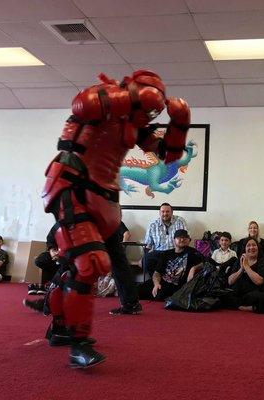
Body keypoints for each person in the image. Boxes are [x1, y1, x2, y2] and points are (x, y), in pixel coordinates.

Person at [41, 69, 190, 368]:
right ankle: (78, 344)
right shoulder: (100, 101)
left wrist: (180, 124)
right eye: (147, 104)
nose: (148, 112)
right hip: (73, 188)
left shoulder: (136, 125)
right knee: (91, 264)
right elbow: (81, 104)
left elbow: (168, 154)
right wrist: (134, 95)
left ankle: (59, 326)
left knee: (77, 265)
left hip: (105, 198)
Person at [138, 229, 204, 300]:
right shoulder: (166, 254)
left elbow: (207, 262)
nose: (182, 240)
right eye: (179, 238)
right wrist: (156, 284)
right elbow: (157, 273)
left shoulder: (193, 253)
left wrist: (193, 268)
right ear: (174, 240)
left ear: (188, 240)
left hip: (178, 287)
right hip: (162, 283)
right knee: (135, 291)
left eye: (185, 238)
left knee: (160, 295)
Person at [223, 237, 264, 313]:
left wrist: (246, 266)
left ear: (258, 248)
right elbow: (230, 281)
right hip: (241, 292)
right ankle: (246, 307)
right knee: (224, 295)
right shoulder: (239, 261)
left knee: (263, 298)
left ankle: (242, 306)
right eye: (248, 246)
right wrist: (241, 269)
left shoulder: (263, 261)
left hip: (256, 291)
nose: (251, 247)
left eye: (254, 245)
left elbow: (259, 281)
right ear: (245, 249)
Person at [142, 203, 187, 273]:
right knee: (146, 260)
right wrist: (143, 257)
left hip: (174, 252)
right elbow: (148, 245)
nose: (165, 214)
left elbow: (185, 240)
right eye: (163, 212)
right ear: (159, 213)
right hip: (159, 252)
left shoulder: (180, 221)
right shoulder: (153, 225)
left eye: (167, 211)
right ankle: (155, 281)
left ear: (172, 212)